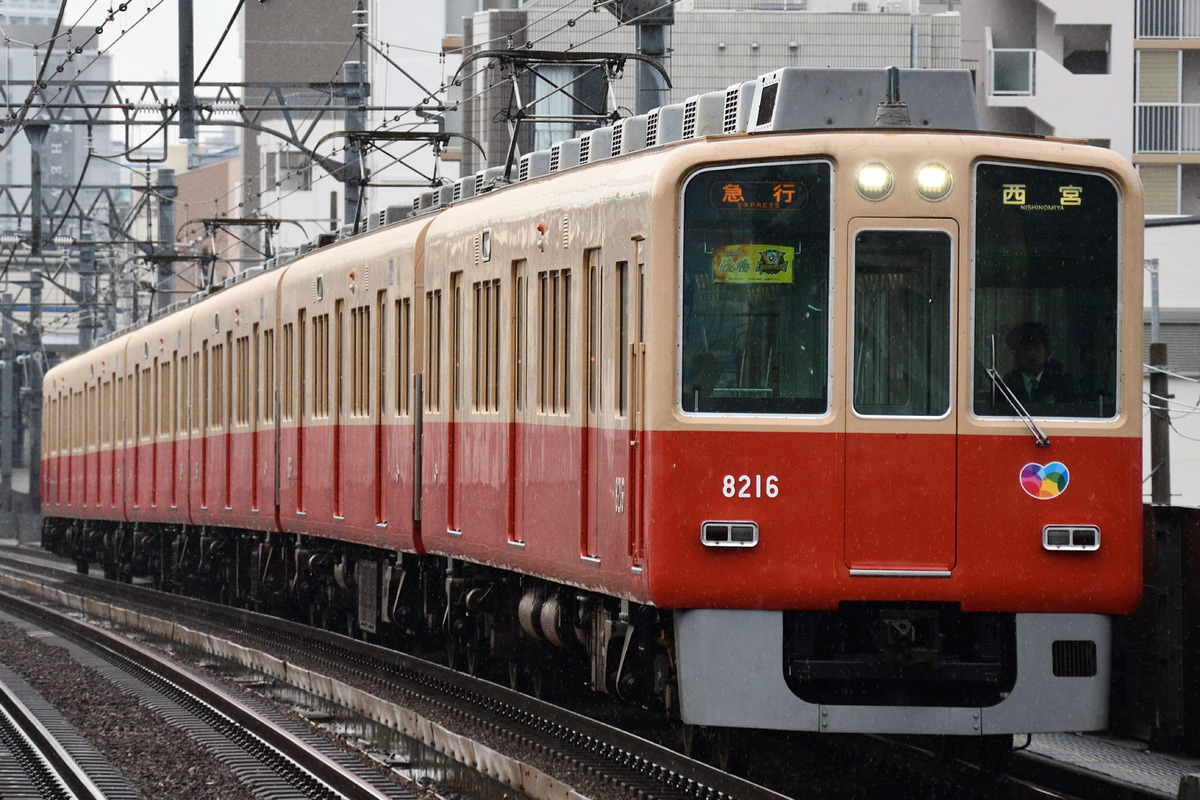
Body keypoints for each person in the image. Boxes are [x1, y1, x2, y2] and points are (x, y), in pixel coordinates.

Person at [1004, 321, 1075, 405]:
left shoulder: (1062, 383)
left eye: (1037, 348)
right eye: (1026, 349)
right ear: (1017, 353)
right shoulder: (1007, 385)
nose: (1032, 354)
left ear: (1046, 352)